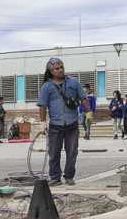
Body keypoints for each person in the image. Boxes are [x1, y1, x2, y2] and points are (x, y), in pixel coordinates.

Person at [37, 58, 90, 186]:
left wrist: (88, 113)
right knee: (54, 153)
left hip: (72, 123)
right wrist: (42, 123)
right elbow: (42, 106)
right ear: (51, 71)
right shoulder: (47, 87)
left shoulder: (74, 82)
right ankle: (55, 177)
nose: (60, 70)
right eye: (57, 68)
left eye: (61, 67)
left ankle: (69, 176)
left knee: (72, 152)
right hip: (55, 125)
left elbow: (83, 98)